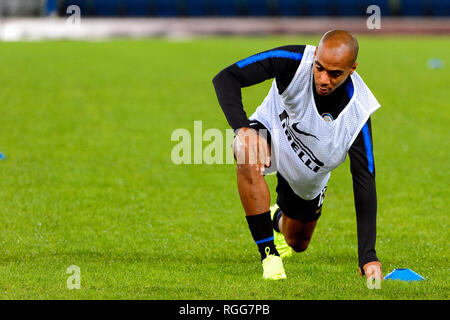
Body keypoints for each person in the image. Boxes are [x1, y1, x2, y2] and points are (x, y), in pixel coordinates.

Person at [212, 30, 383, 281]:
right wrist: (243, 128)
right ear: (315, 56)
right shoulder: (294, 60)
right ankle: (269, 255)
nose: (323, 79)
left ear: (352, 69)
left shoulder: (358, 112)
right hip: (271, 131)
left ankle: (274, 217)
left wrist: (368, 255)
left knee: (298, 241)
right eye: (319, 68)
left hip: (309, 168)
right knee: (244, 150)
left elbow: (364, 180)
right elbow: (226, 77)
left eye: (335, 74)